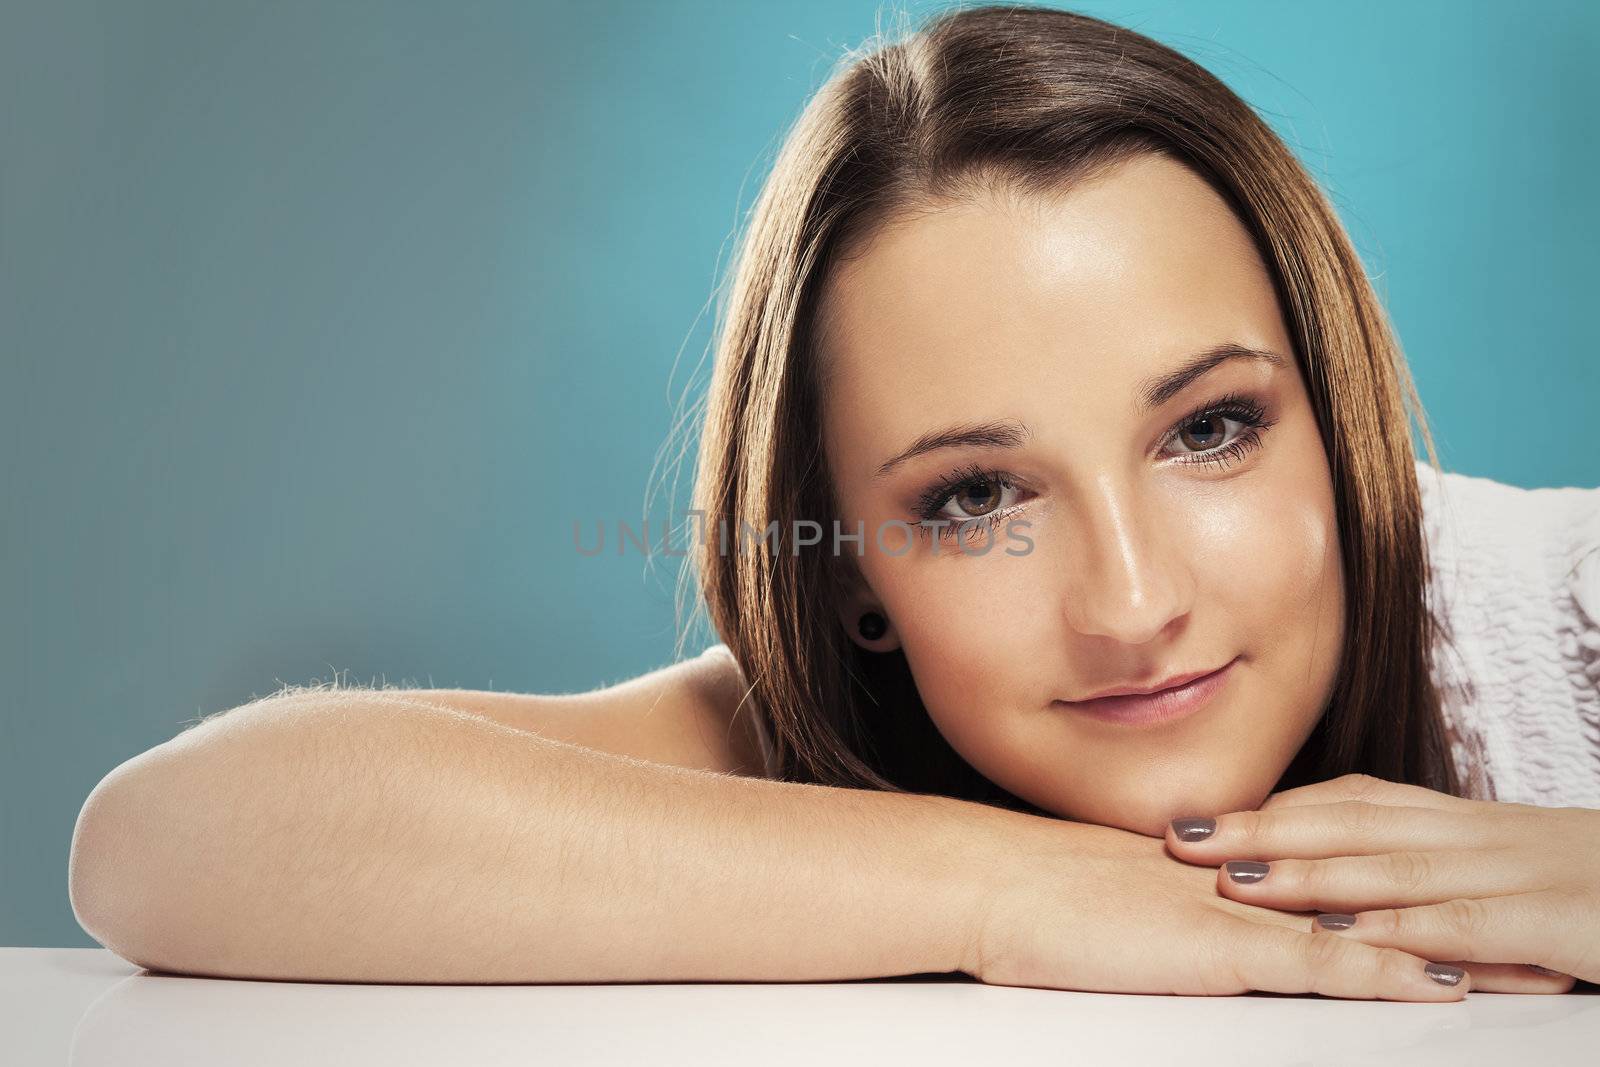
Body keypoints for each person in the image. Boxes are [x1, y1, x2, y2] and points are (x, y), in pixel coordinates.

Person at [69, 3, 1600, 1000]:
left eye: (1210, 429)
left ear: (1332, 423)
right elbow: (167, 840)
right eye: (976, 495)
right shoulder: (848, 728)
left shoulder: (1564, 606)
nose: (1134, 604)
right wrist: (1012, 890)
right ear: (854, 567)